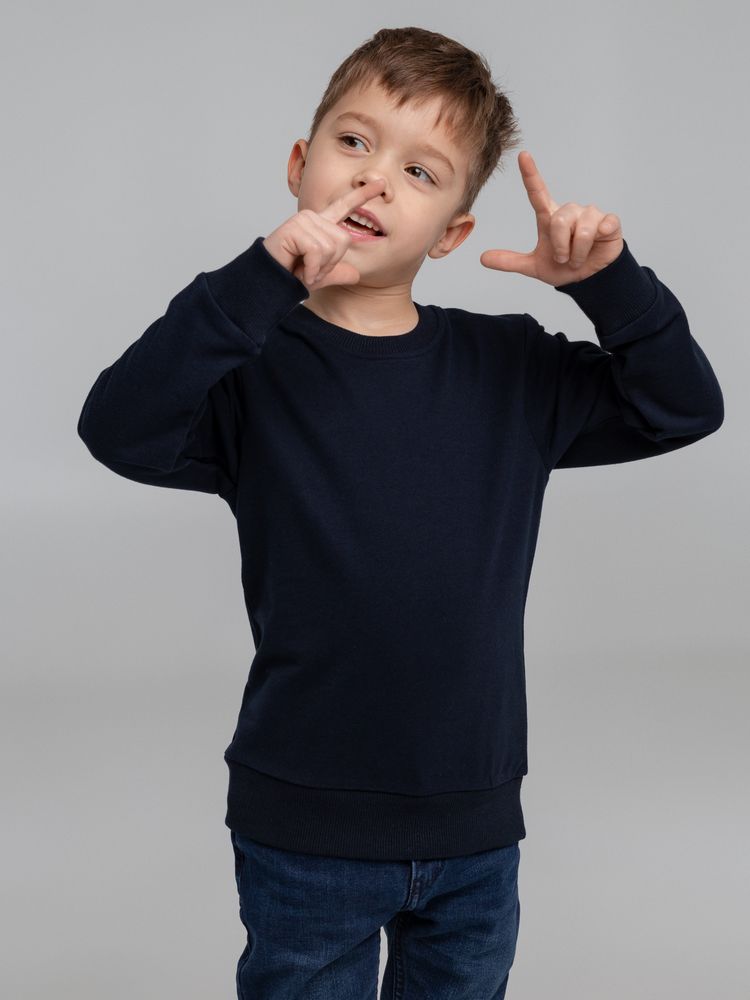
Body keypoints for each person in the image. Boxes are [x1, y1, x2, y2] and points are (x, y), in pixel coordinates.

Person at [76, 24, 724, 1000]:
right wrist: (258, 279)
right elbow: (118, 427)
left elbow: (683, 407)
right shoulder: (248, 372)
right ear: (300, 165)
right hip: (305, 825)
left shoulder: (512, 367)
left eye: (420, 172)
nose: (375, 180)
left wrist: (609, 284)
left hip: (474, 823)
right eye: (354, 142)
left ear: (452, 232)